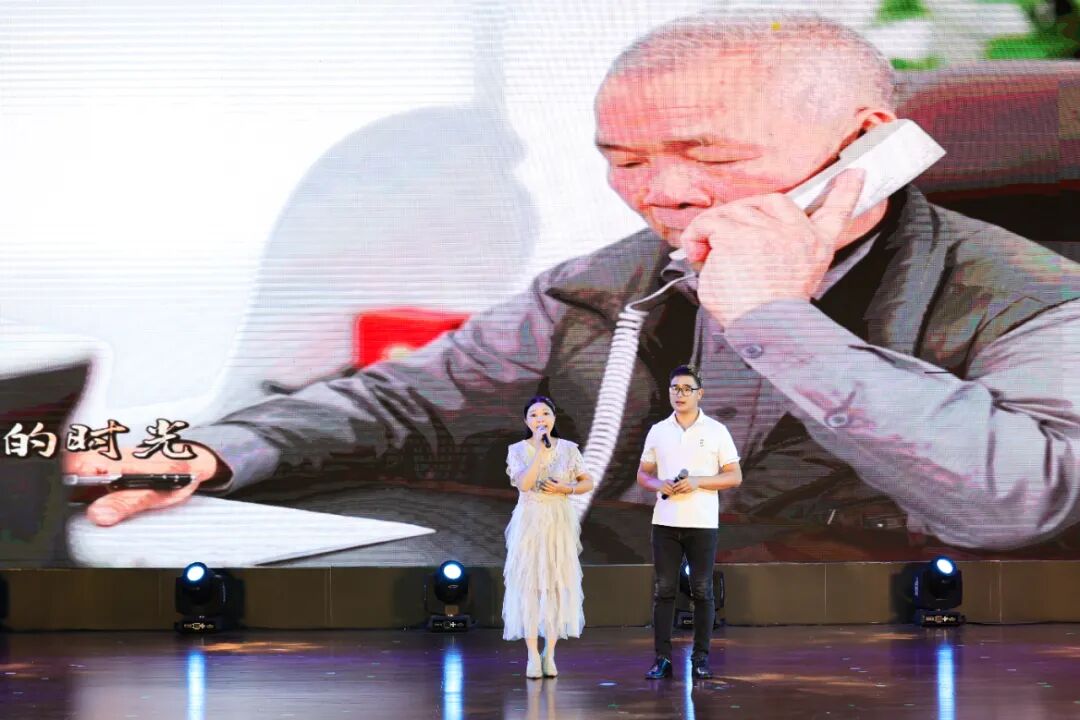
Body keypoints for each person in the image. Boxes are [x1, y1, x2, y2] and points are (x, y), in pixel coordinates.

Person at [66, 12, 1080, 560]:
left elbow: (1017, 506)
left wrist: (775, 318)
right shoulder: (617, 285)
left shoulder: (1035, 294)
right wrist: (214, 448)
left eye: (708, 155)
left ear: (863, 145)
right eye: (624, 160)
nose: (662, 194)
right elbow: (405, 401)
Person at [636, 365, 741, 680]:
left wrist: (697, 481)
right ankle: (662, 659)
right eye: (674, 388)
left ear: (700, 394)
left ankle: (700, 659)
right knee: (664, 590)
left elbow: (734, 476)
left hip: (702, 523)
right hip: (665, 522)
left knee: (702, 590)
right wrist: (660, 484)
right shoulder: (658, 430)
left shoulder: (716, 430)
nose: (679, 394)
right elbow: (643, 474)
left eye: (686, 389)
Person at [502, 396, 591, 678]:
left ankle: (549, 653)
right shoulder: (517, 450)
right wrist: (540, 452)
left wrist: (567, 488)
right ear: (526, 421)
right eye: (533, 414)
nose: (540, 418)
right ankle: (531, 654)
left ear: (554, 418)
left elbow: (587, 482)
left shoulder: (569, 449)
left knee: (555, 584)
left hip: (558, 522)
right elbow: (524, 484)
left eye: (545, 413)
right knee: (529, 585)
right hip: (529, 523)